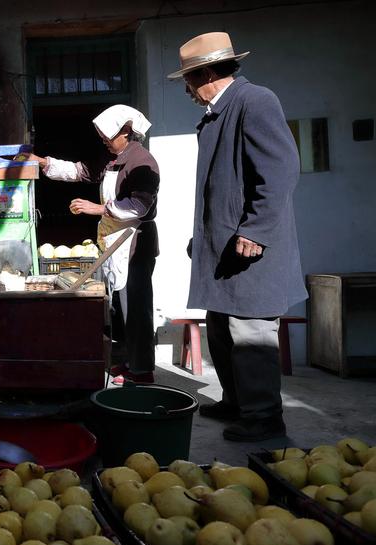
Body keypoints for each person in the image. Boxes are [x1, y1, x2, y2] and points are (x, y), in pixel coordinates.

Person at [169, 32, 307, 441]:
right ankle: (236, 401)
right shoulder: (216, 114)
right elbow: (222, 187)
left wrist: (257, 229)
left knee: (251, 335)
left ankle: (264, 418)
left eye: (189, 80)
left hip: (249, 248)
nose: (188, 90)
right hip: (224, 249)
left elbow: (280, 170)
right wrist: (206, 237)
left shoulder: (255, 101)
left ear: (207, 73)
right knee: (221, 329)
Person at [21, 105, 160, 385]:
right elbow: (80, 171)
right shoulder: (113, 158)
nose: (103, 141)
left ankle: (143, 370)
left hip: (135, 242)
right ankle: (129, 361)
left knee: (136, 305)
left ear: (125, 132)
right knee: (121, 307)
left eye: (107, 136)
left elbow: (140, 206)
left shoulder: (142, 161)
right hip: (115, 241)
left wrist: (97, 209)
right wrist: (43, 162)